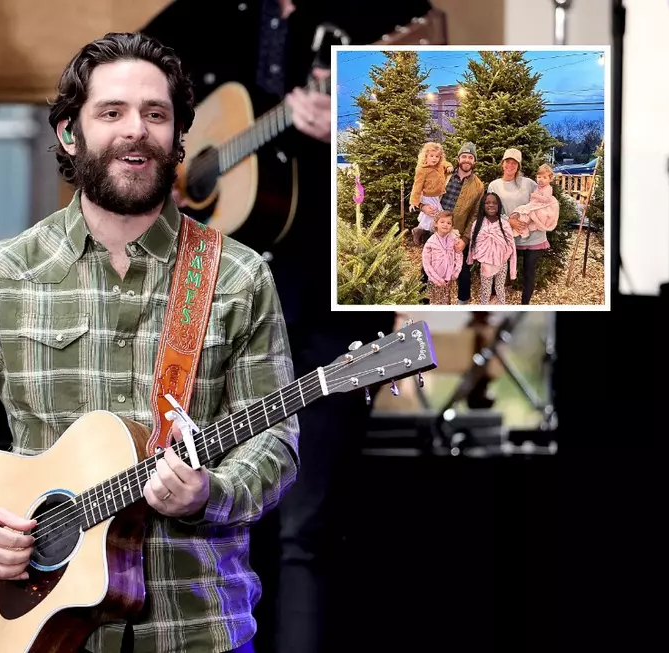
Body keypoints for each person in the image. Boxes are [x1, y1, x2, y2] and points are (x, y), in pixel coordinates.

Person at [0, 32, 299, 653]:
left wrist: (210, 491)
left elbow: (275, 443)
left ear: (179, 138)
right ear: (70, 133)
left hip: (196, 627)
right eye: (111, 112)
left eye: (156, 114)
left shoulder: (237, 275)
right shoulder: (6, 273)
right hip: (37, 632)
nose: (136, 131)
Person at [141, 2, 431, 651]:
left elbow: (437, 138)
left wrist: (361, 121)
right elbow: (117, 80)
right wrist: (173, 162)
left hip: (331, 308)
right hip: (217, 309)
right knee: (214, 519)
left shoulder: (388, 12)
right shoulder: (202, 16)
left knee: (308, 526)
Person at [419, 141, 485, 305]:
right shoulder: (443, 174)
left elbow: (475, 216)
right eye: (464, 156)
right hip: (435, 230)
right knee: (427, 269)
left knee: (463, 273)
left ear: (474, 161)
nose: (467, 160)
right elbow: (423, 190)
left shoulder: (478, 186)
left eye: (470, 157)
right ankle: (421, 302)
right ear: (458, 158)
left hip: (457, 234)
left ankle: (463, 305)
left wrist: (465, 239)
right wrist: (422, 206)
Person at [486, 148, 542, 304]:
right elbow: (491, 209)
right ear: (502, 164)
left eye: (514, 163)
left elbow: (542, 202)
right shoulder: (494, 185)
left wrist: (529, 220)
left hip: (532, 235)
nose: (510, 166)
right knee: (497, 266)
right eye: (507, 162)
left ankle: (525, 305)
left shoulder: (529, 183)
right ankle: (494, 297)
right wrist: (509, 221)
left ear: (518, 166)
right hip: (507, 234)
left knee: (529, 271)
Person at [467, 192, 516, 305]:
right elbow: (474, 242)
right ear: (482, 206)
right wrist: (471, 258)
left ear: (499, 205)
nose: (491, 205)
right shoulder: (478, 224)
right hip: (486, 263)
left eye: (494, 203)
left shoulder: (504, 224)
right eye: (487, 202)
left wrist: (512, 268)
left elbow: (510, 244)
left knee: (500, 289)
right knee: (485, 290)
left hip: (502, 262)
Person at [410, 141, 453, 245]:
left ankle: (419, 230)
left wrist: (449, 167)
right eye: (431, 156)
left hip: (436, 196)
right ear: (426, 156)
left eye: (437, 156)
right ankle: (437, 237)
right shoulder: (422, 169)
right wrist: (414, 202)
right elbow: (417, 186)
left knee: (429, 217)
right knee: (437, 215)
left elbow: (445, 163)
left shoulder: (439, 165)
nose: (434, 158)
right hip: (428, 196)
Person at [508, 162, 559, 239]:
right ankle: (518, 222)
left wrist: (536, 196)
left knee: (527, 213)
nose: (541, 179)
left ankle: (522, 230)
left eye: (544, 177)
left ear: (550, 179)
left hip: (542, 206)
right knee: (523, 210)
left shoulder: (548, 188)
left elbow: (547, 199)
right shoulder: (538, 187)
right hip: (535, 204)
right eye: (539, 177)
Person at [421, 211, 462, 305]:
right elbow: (426, 263)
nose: (445, 225)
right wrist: (436, 279)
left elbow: (459, 256)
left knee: (447, 303)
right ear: (436, 224)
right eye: (442, 222)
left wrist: (455, 273)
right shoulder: (430, 242)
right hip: (435, 281)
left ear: (452, 226)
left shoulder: (454, 240)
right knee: (435, 303)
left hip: (450, 280)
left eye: (449, 223)